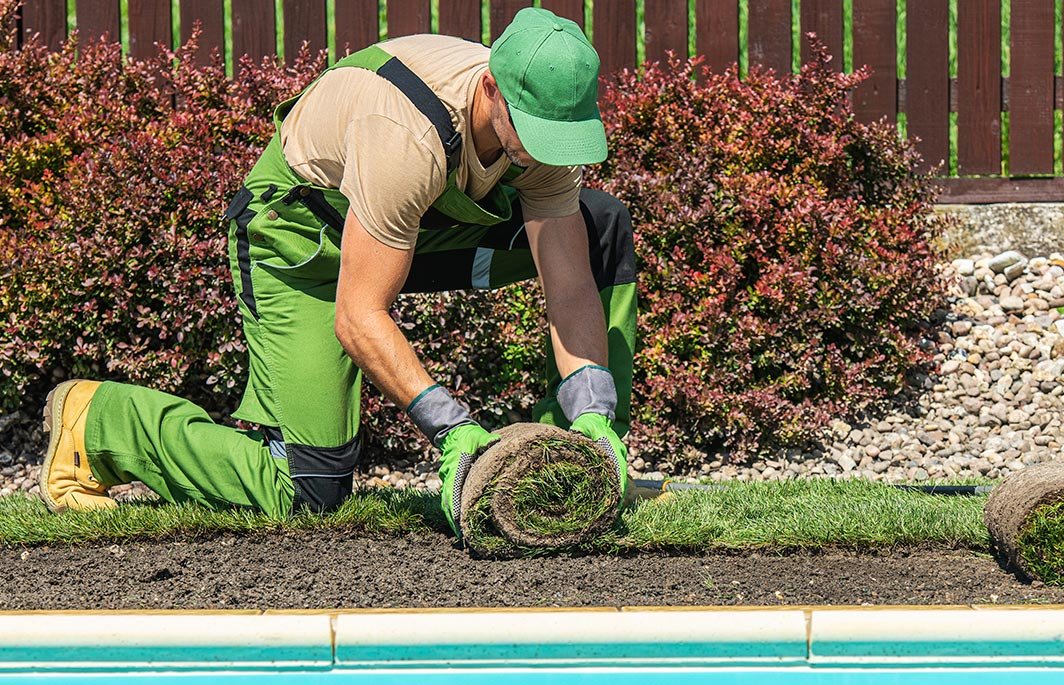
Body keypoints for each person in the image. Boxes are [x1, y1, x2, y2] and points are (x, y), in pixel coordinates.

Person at [37, 7, 636, 543]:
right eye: (535, 137)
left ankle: (571, 471)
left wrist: (593, 410)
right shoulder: (407, 134)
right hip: (300, 246)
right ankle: (99, 421)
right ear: (490, 89)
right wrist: (453, 429)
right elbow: (359, 313)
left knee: (598, 227)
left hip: (412, 227)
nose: (546, 153)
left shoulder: (544, 122)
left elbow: (569, 281)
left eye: (562, 139)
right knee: (308, 490)